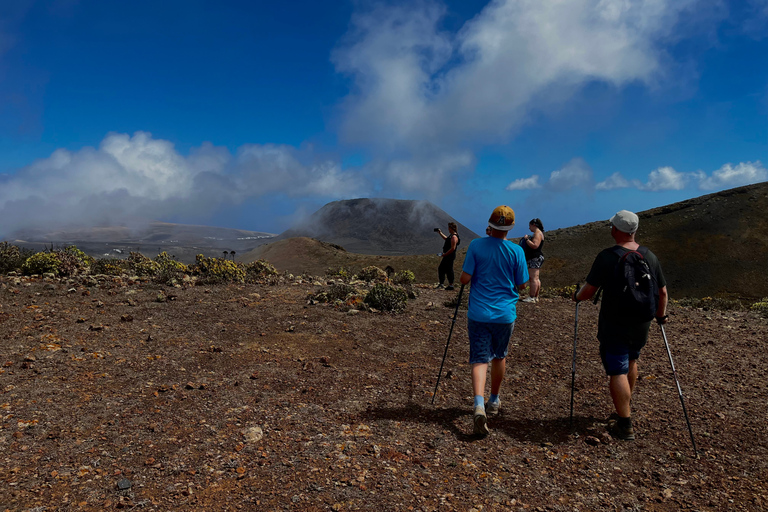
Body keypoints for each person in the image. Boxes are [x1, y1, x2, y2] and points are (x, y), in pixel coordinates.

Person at [573, 210, 668, 441]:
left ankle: (625, 424)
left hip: (615, 321)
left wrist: (576, 297)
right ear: (634, 231)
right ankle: (623, 407)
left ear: (615, 230)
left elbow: (588, 291)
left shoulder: (607, 256)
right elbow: (662, 292)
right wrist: (661, 316)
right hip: (642, 322)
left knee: (617, 369)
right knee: (632, 359)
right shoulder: (649, 256)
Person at [460, 206, 529, 436]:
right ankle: (494, 400)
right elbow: (522, 285)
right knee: (500, 356)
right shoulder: (517, 251)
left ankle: (478, 405)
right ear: (510, 227)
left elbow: (464, 278)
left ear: (490, 224)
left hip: (478, 313)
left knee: (479, 360)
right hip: (504, 315)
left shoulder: (476, 246)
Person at [521, 218, 545, 303]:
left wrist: (527, 239)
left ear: (533, 225)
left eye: (530, 226)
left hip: (534, 257)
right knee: (536, 278)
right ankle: (535, 296)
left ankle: (532, 297)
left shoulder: (537, 234)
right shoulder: (539, 233)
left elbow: (535, 245)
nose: (529, 228)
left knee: (533, 278)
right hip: (537, 257)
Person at [435, 222, 460, 290]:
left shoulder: (454, 237)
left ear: (452, 228)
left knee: (448, 269)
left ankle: (450, 285)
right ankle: (443, 283)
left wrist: (445, 254)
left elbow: (453, 248)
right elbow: (447, 239)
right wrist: (440, 233)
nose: (448, 229)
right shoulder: (451, 236)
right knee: (443, 268)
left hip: (449, 256)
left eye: (449, 228)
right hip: (448, 255)